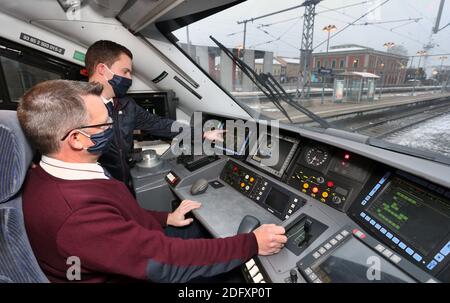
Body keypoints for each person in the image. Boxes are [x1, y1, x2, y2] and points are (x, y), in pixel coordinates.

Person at [18, 80, 287, 283]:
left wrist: (165, 219)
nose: (113, 125)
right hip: (141, 270)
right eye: (105, 124)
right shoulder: (75, 215)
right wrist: (252, 243)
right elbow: (167, 262)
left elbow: (115, 217)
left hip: (140, 244)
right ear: (76, 139)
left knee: (202, 231)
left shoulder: (46, 176)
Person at [85, 40, 224, 189]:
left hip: (123, 183)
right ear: (102, 69)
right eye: (125, 71)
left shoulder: (126, 105)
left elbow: (159, 124)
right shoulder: (72, 108)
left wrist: (202, 134)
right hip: (97, 188)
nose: (129, 78)